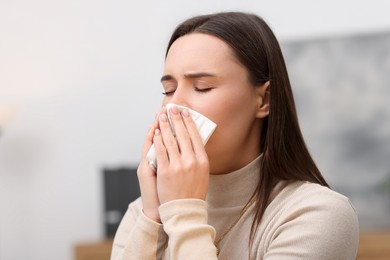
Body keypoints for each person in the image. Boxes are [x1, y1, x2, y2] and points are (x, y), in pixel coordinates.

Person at [111, 12, 359, 259]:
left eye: (202, 88)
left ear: (264, 99)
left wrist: (184, 212)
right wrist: (152, 217)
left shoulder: (317, 215)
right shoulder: (141, 213)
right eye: (169, 90)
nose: (175, 106)